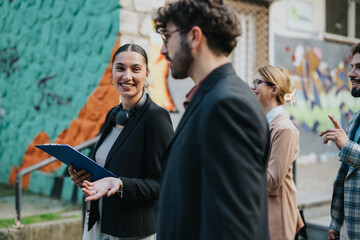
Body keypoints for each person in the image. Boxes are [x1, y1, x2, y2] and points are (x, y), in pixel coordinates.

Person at [152, 0, 270, 239]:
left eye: (167, 37)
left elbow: (233, 228)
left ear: (195, 37)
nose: (163, 51)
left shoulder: (227, 105)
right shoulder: (215, 97)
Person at [68, 43, 174, 240]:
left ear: (147, 74)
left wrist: (120, 184)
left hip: (131, 232)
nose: (127, 76)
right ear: (112, 73)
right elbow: (106, 169)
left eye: (135, 69)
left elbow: (164, 183)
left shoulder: (156, 117)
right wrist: (84, 177)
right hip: (98, 222)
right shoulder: (114, 114)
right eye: (120, 68)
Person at [251, 65, 304, 240]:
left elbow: (272, 181)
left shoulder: (284, 129)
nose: (253, 87)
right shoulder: (264, 124)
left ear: (274, 89)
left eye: (258, 82)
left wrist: (239, 164)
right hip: (261, 212)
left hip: (275, 217)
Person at [319, 42, 360, 240]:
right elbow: (345, 174)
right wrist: (336, 222)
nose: (351, 74)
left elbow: (351, 153)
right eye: (352, 67)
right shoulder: (356, 118)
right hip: (348, 230)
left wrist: (347, 146)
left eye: (359, 67)